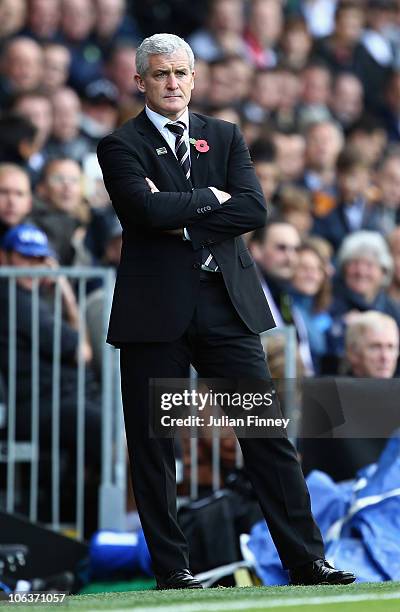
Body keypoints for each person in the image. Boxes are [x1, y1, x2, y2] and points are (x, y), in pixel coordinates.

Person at [97, 33, 355, 589]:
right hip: (155, 313)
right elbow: (141, 211)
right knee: (154, 443)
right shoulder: (119, 145)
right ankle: (173, 572)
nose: (173, 83)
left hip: (226, 309)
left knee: (264, 434)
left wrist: (180, 214)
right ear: (140, 81)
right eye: (161, 74)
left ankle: (306, 560)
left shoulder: (225, 134)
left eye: (181, 73)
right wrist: (211, 201)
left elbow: (254, 207)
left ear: (194, 78)